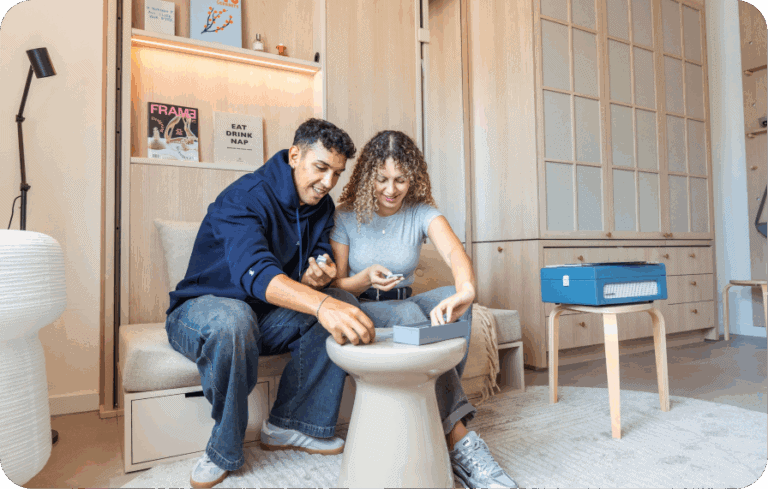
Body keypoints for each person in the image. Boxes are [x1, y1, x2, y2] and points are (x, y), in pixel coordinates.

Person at [165, 118, 376, 489]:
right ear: (295, 155)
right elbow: (257, 275)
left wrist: (320, 274)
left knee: (339, 298)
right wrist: (320, 304)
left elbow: (321, 252)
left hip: (261, 318)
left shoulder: (321, 206)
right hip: (202, 310)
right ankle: (223, 448)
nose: (328, 183)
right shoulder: (245, 197)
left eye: (337, 174)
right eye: (321, 168)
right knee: (236, 318)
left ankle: (290, 425)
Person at [329, 130, 519, 489]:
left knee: (452, 304)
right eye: (382, 179)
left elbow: (454, 254)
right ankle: (459, 438)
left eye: (400, 179)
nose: (391, 189)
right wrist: (365, 278)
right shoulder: (346, 216)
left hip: (405, 303)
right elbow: (336, 285)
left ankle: (436, 413)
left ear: (413, 177)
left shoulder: (421, 212)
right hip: (364, 306)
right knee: (409, 317)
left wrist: (466, 290)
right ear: (367, 175)